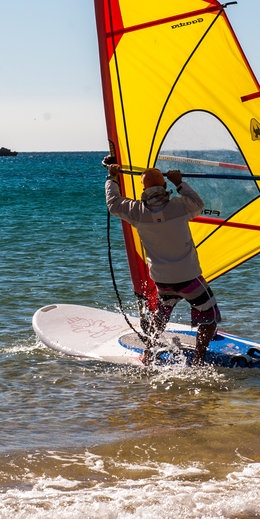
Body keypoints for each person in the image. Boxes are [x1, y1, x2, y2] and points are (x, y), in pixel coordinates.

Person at [103, 156, 220, 366]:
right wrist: (180, 183)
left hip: (163, 280)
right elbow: (198, 204)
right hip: (189, 278)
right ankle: (198, 360)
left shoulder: (136, 211)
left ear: (142, 188)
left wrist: (112, 178)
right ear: (164, 185)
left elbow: (113, 204)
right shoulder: (179, 207)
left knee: (162, 314)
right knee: (209, 318)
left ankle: (147, 353)